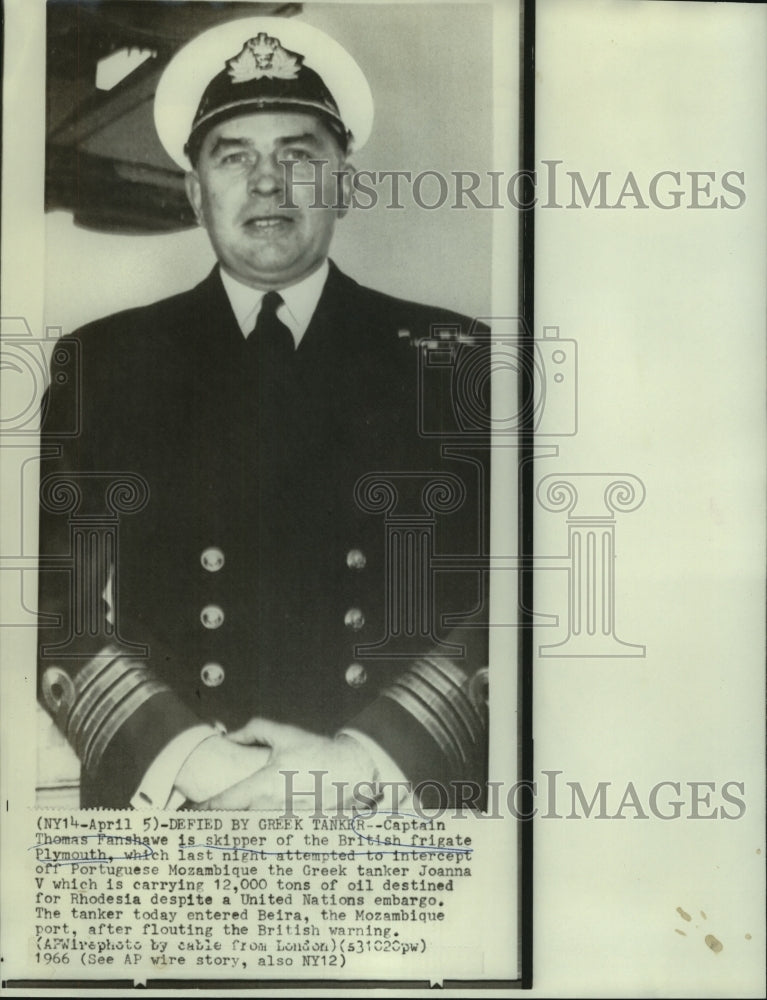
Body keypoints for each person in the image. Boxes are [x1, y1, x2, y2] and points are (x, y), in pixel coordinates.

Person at [37, 16, 489, 810]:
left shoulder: (456, 360)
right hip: (182, 804)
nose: (269, 182)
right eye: (234, 156)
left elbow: (511, 596)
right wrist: (195, 762)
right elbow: (45, 600)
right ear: (193, 189)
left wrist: (362, 759)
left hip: (386, 803)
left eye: (299, 155)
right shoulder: (101, 362)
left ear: (343, 183)